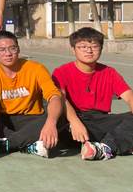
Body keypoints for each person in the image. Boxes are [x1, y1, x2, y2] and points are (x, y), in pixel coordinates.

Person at [0, 31, 64, 159]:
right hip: (4, 120)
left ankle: (5, 144)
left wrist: (50, 123)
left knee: (60, 115)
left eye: (12, 48)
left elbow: (54, 96)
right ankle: (27, 144)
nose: (8, 54)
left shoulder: (36, 69)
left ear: (18, 49)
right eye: (2, 50)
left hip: (31, 119)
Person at [53, 27, 133, 160]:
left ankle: (104, 147)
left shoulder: (109, 72)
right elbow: (61, 99)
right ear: (73, 49)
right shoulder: (61, 72)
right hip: (72, 121)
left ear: (101, 49)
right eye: (83, 46)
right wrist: (74, 121)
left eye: (94, 46)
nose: (89, 50)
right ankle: (118, 143)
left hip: (100, 120)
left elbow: (129, 96)